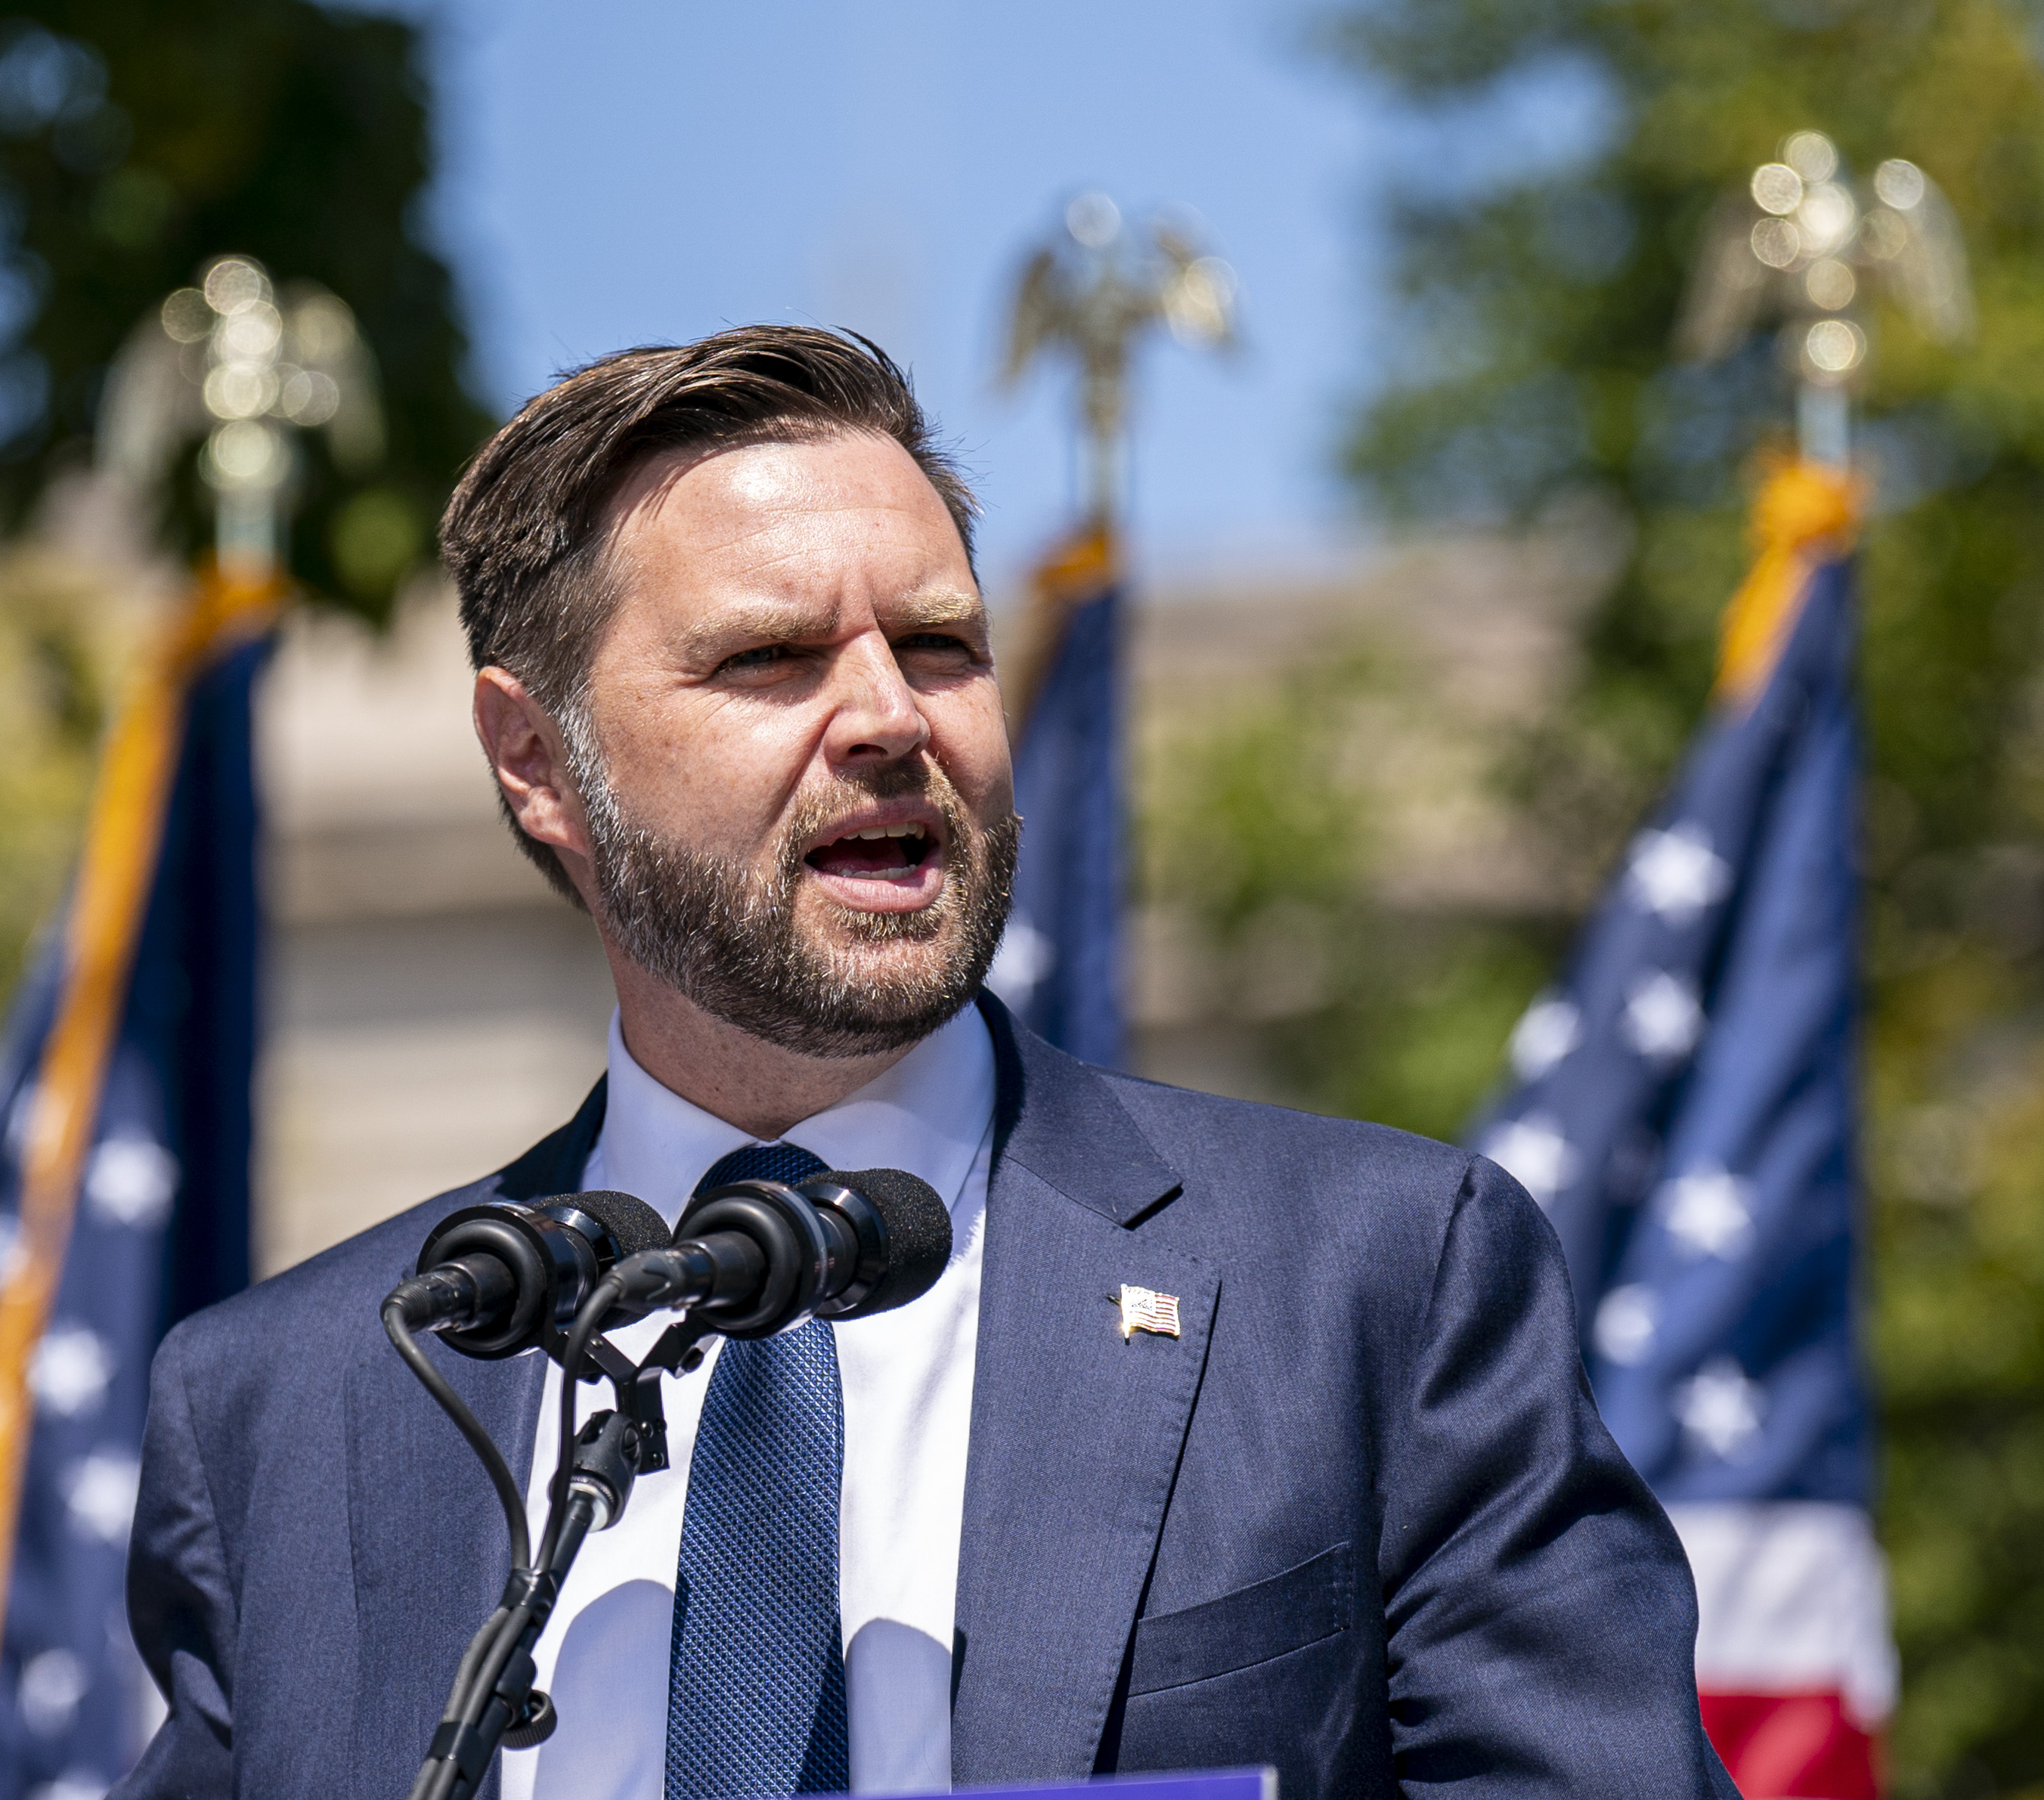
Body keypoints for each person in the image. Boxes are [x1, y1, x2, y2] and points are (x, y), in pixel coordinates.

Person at [114, 327, 1739, 1799]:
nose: (891, 716)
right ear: (537, 760)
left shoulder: (1370, 1281)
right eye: (770, 661)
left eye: (942, 644)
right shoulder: (293, 1397)